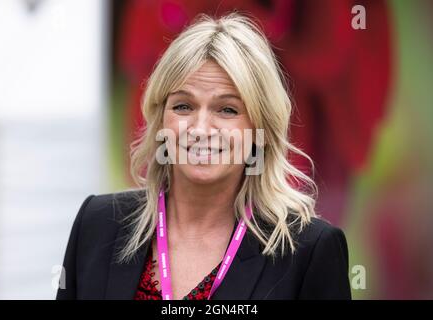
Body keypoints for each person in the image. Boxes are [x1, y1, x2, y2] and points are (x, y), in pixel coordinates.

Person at [56, 13, 351, 300]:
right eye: (183, 106)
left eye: (227, 110)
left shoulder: (309, 251)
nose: (200, 129)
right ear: (161, 123)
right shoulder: (98, 224)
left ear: (259, 131)